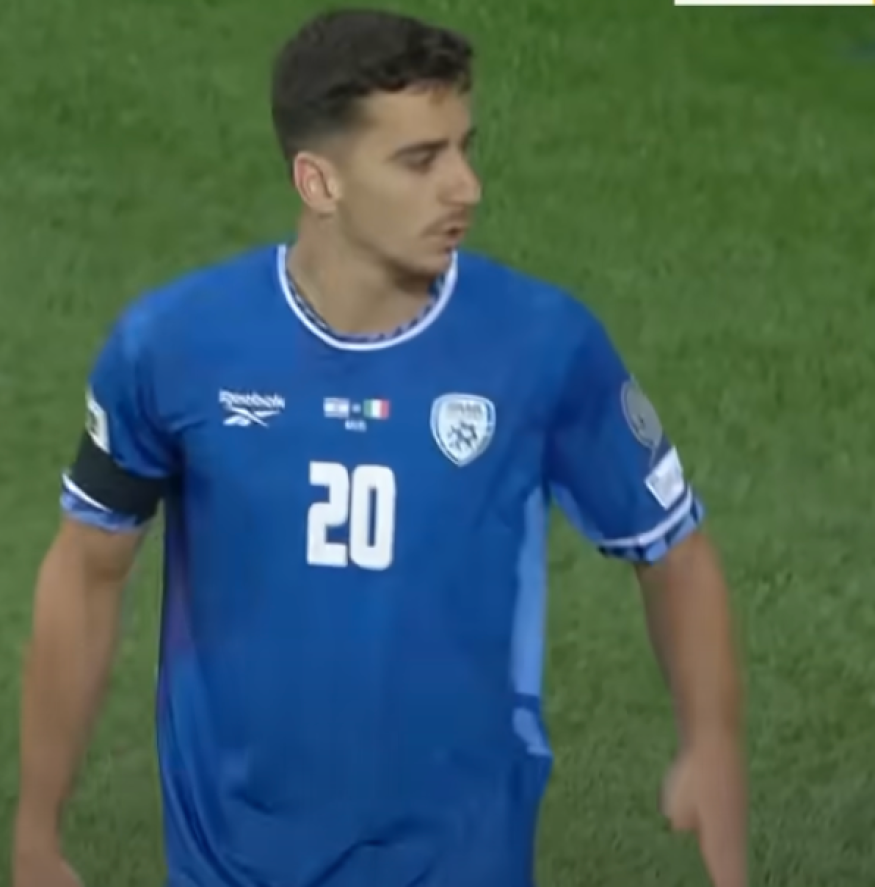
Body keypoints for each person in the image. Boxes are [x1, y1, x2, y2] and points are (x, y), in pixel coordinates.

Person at [12, 8, 747, 887]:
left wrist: (709, 741)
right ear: (318, 181)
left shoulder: (542, 344)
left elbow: (672, 547)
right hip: (234, 862)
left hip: (463, 862)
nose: (465, 187)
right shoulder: (172, 347)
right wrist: (37, 824)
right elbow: (86, 570)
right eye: (420, 160)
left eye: (464, 148)